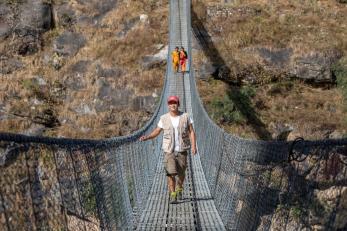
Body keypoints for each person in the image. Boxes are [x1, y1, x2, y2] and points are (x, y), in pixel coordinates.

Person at [140, 96, 197, 204]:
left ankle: (179, 187)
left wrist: (194, 146)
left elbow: (191, 132)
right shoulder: (164, 118)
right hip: (169, 151)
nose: (172, 104)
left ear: (178, 104)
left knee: (181, 173)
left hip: (182, 149)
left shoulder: (186, 116)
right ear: (168, 105)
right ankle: (173, 195)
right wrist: (147, 137)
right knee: (170, 173)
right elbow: (157, 131)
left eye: (174, 102)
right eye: (170, 103)